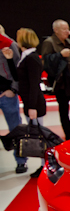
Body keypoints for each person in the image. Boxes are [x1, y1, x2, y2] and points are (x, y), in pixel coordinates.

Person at [2, 28, 48, 177]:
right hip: (29, 101)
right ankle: (44, 164)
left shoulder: (32, 58)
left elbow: (34, 83)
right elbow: (18, 77)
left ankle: (44, 165)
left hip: (34, 103)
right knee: (36, 133)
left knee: (39, 135)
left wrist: (32, 106)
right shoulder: (26, 57)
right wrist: (9, 59)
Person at [41, 19, 70, 140]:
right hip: (61, 83)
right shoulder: (49, 42)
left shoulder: (69, 41)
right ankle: (69, 136)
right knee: (64, 111)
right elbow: (45, 62)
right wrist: (60, 55)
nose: (67, 31)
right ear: (56, 30)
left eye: (68, 28)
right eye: (64, 29)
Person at [0, 26, 25, 173]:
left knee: (15, 127)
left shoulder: (9, 44)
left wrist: (13, 89)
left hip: (7, 93)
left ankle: (21, 161)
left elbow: (18, 68)